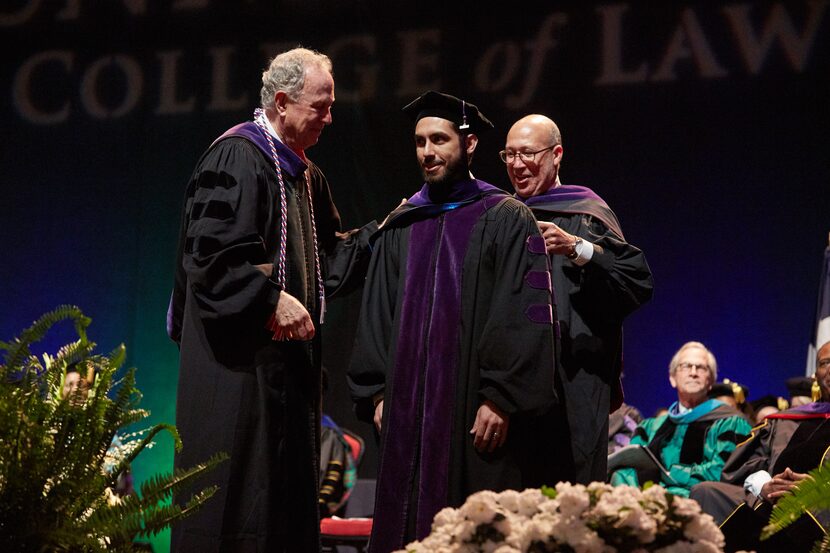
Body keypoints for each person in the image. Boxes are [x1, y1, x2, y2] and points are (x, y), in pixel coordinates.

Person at [167, 48, 376, 552]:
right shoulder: (237, 157)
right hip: (237, 377)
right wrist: (268, 299)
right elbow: (211, 259)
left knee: (280, 515)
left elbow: (330, 258)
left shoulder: (305, 175)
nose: (330, 116)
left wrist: (390, 235)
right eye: (320, 106)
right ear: (282, 102)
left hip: (286, 381)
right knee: (233, 509)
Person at [348, 91, 559, 552]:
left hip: (472, 413)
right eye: (420, 141)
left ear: (469, 144)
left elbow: (522, 314)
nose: (428, 151)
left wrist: (501, 396)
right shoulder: (402, 223)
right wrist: (377, 394)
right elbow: (377, 313)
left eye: (439, 139)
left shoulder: (505, 217)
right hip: (406, 413)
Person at [503, 114, 653, 483]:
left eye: (527, 154)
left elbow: (635, 282)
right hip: (514, 386)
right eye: (508, 155)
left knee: (572, 499)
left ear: (557, 155)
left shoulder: (586, 213)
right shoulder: (502, 219)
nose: (517, 165)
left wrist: (576, 248)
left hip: (575, 383)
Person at [690, 341, 830, 552]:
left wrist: (818, 489)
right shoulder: (786, 421)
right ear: (817, 376)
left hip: (821, 505)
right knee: (706, 492)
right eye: (824, 363)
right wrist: (764, 485)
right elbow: (746, 464)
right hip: (769, 501)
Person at [610, 342, 752, 497]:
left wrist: (670, 474)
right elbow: (631, 467)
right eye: (686, 366)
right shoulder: (651, 427)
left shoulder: (730, 422)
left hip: (695, 503)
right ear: (672, 378)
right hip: (646, 501)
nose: (693, 372)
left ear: (711, 381)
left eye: (701, 367)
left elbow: (723, 471)